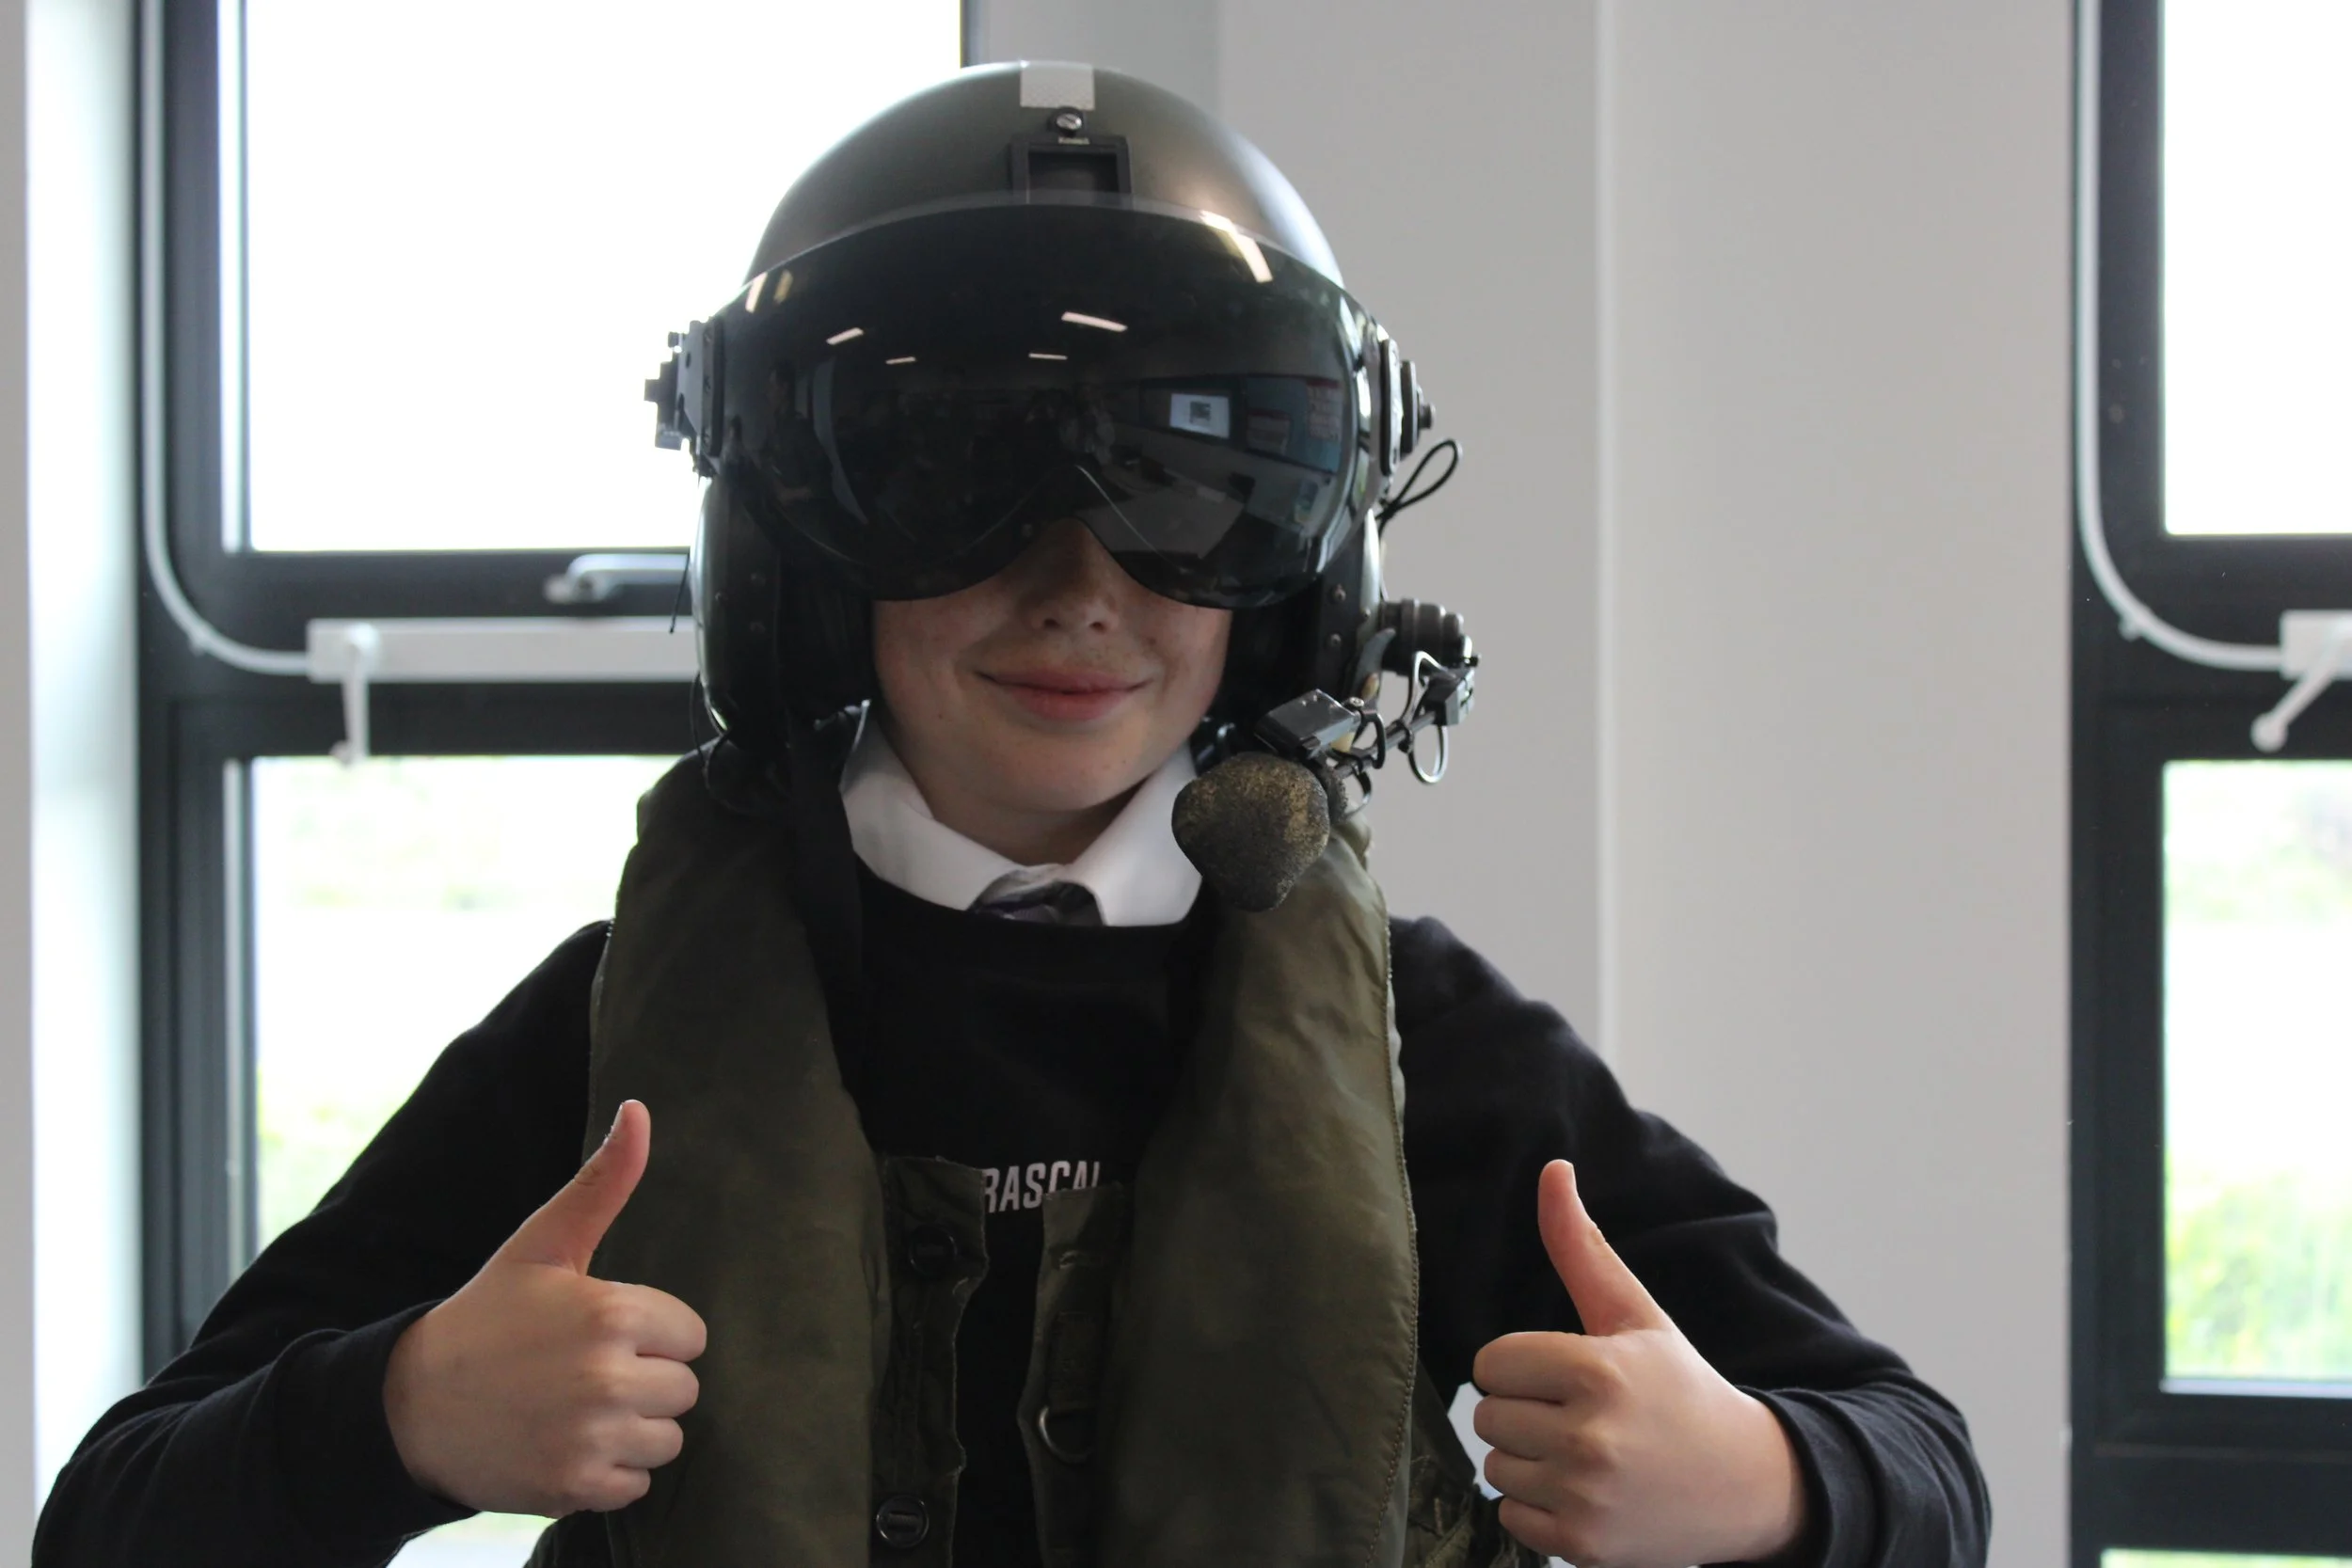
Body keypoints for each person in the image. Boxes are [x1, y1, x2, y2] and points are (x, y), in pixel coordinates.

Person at [34, 63, 1990, 1568]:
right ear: (799, 554)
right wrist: (403, 1412)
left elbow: (1912, 1453)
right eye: (952, 484)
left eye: (1180, 495)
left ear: (1296, 574)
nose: (1075, 588)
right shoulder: (614, 1044)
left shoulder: (1426, 1054)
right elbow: (115, 1506)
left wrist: (1757, 1480)